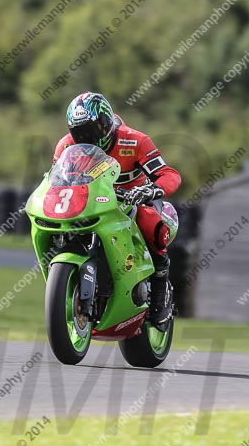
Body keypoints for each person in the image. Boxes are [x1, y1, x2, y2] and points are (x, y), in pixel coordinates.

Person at [52, 92, 181, 328]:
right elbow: (56, 179)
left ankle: (160, 294)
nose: (87, 138)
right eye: (80, 132)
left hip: (133, 199)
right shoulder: (66, 145)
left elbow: (169, 174)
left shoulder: (135, 141)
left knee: (151, 224)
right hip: (92, 200)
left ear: (107, 122)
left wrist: (151, 190)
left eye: (93, 130)